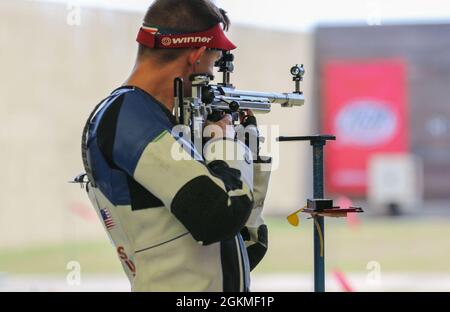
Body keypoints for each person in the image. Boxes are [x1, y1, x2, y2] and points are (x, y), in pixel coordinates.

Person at [80, 0, 271, 292]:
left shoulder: (156, 120)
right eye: (211, 67)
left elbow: (241, 248)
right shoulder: (127, 117)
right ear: (195, 55)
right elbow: (220, 217)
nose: (210, 78)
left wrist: (247, 152)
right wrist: (224, 145)